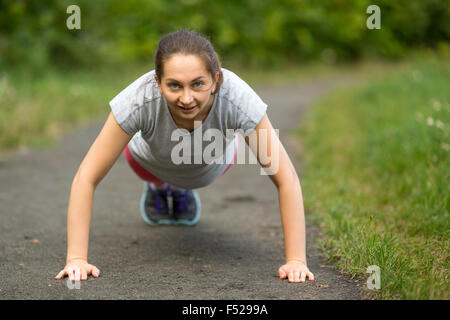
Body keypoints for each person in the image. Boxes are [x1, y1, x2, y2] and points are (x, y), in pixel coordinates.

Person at [55, 30, 315, 284]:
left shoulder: (239, 99)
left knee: (198, 171)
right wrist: (76, 258)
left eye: (198, 84)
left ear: (216, 79)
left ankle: (180, 190)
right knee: (133, 151)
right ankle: (159, 188)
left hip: (211, 165)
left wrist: (297, 260)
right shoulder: (137, 99)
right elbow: (86, 176)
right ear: (157, 82)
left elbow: (286, 179)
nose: (187, 98)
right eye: (174, 86)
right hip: (150, 161)